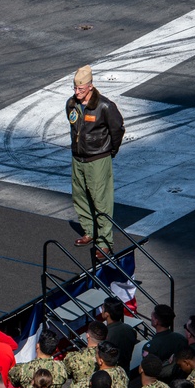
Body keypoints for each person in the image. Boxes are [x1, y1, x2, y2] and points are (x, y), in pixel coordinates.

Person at [67, 64, 126, 255]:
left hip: (97, 158)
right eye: (75, 88)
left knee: (101, 201)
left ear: (90, 87)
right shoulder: (72, 104)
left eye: (81, 89)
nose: (77, 92)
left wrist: (111, 151)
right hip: (78, 158)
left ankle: (104, 242)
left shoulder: (105, 106)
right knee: (80, 196)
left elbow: (117, 130)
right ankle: (89, 231)